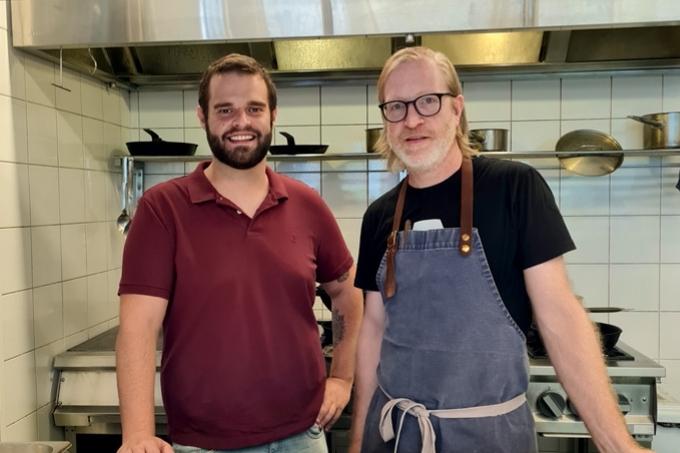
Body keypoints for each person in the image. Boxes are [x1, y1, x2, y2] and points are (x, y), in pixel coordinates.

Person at [349, 46, 651, 453]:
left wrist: (616, 444)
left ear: (457, 109)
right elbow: (372, 333)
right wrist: (356, 445)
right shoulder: (379, 216)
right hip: (395, 437)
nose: (412, 119)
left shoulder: (514, 188)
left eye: (427, 101)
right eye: (396, 107)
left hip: (488, 438)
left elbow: (559, 314)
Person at [115, 53, 363, 453]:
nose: (241, 122)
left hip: (303, 435)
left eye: (254, 108)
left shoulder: (306, 204)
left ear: (273, 115)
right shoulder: (162, 209)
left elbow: (348, 295)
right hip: (203, 443)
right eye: (225, 110)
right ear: (202, 116)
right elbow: (137, 328)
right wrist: (138, 434)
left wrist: (343, 378)